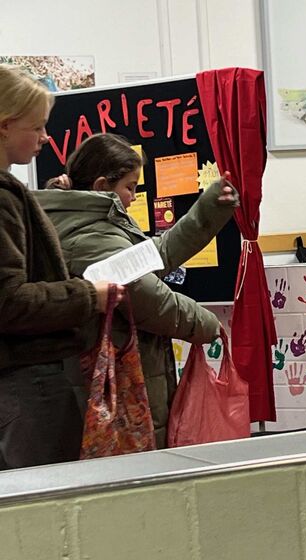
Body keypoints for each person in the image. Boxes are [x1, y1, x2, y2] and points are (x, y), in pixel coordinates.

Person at [36, 133, 239, 448]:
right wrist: (208, 325)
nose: (133, 197)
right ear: (102, 186)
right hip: (117, 387)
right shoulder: (89, 236)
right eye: (129, 187)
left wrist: (209, 208)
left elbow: (154, 256)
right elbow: (150, 300)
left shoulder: (96, 222)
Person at [0, 65, 122, 469]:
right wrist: (89, 296)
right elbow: (9, 301)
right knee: (53, 498)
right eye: (37, 127)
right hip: (24, 378)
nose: (45, 138)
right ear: (5, 125)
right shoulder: (3, 198)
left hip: (19, 379)